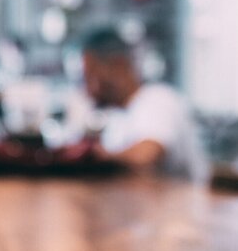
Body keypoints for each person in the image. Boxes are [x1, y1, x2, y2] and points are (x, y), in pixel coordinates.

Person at [80, 27, 207, 179]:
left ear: (118, 65)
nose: (87, 90)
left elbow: (146, 156)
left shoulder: (158, 99)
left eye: (90, 76)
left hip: (180, 202)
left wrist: (96, 155)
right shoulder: (117, 118)